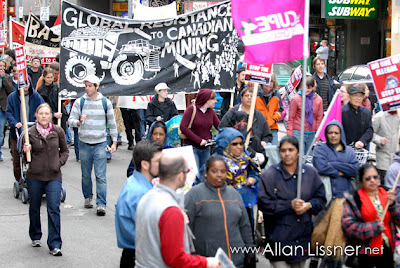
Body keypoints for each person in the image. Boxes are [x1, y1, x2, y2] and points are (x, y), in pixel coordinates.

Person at [135, 155, 220, 268]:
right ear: (180, 176)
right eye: (187, 171)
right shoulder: (170, 210)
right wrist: (206, 262)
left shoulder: (147, 197)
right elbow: (175, 258)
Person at [258, 136, 326, 267]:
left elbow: (321, 198)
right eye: (283, 150)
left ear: (298, 152)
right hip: (278, 238)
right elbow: (264, 203)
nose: (287, 154)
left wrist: (309, 205)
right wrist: (289, 205)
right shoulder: (270, 175)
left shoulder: (310, 173)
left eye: (291, 150)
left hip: (301, 237)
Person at [185, 155, 255, 267]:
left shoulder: (234, 194)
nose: (219, 175)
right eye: (214, 171)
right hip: (208, 262)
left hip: (237, 261)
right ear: (206, 173)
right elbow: (186, 229)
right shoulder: (194, 195)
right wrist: (191, 256)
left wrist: (249, 250)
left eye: (223, 171)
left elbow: (244, 225)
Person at [22, 103, 69, 256]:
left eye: (47, 113)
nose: (44, 116)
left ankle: (55, 244)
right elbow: (24, 160)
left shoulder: (58, 131)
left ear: (51, 116)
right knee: (34, 207)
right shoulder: (30, 133)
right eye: (41, 113)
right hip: (35, 176)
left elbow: (65, 151)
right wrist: (25, 151)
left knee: (54, 209)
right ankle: (35, 235)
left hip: (54, 176)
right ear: (36, 115)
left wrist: (58, 163)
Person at [68, 75, 118, 216]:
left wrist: (114, 142)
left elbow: (112, 123)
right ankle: (88, 196)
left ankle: (101, 204)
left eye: (90, 85)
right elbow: (70, 120)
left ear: (97, 86)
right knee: (85, 174)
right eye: (86, 85)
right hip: (84, 142)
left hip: (100, 142)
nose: (87, 88)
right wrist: (78, 122)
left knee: (100, 175)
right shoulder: (80, 102)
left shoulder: (105, 103)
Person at [342, 163, 400, 267]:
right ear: (361, 181)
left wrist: (393, 206)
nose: (372, 180)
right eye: (368, 178)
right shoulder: (354, 199)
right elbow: (348, 227)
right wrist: (373, 228)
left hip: (387, 248)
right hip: (365, 252)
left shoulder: (387, 193)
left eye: (375, 177)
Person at [115, 140, 162, 267]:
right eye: (158, 161)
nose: (162, 165)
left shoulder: (135, 183)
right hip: (139, 256)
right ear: (145, 165)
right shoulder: (140, 193)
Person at [6, 79, 44, 184]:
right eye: (22, 85)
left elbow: (43, 108)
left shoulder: (35, 96)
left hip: (32, 132)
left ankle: (33, 179)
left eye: (27, 84)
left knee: (33, 157)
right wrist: (14, 123)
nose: (25, 87)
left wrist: (40, 120)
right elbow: (9, 113)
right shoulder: (12, 97)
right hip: (17, 133)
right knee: (17, 159)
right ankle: (19, 180)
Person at [313, 120, 359, 199]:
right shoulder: (320, 148)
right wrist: (343, 172)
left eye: (336, 133)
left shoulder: (349, 151)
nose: (333, 135)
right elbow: (321, 167)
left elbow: (355, 170)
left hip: (345, 196)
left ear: (341, 134)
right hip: (324, 195)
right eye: (330, 133)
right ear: (326, 134)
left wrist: (332, 164)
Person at [180, 88, 220, 170]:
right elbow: (183, 127)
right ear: (206, 100)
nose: (216, 101)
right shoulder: (191, 110)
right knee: (194, 173)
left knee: (204, 174)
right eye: (213, 99)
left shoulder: (211, 112)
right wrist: (199, 140)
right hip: (191, 148)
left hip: (205, 149)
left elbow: (219, 126)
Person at [287, 76, 323, 154]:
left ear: (313, 87)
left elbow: (319, 118)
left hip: (312, 133)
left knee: (310, 157)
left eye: (309, 88)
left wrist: (318, 135)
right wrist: (290, 134)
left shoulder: (318, 100)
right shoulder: (295, 99)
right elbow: (291, 118)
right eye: (305, 87)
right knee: (300, 156)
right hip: (298, 132)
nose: (306, 90)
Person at [37, 68, 68, 132]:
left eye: (51, 77)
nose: (50, 79)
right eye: (48, 77)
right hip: (48, 116)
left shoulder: (56, 86)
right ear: (44, 77)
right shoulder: (41, 90)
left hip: (60, 113)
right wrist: (53, 113)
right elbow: (42, 105)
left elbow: (61, 100)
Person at [255, 73, 283, 145]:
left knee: (274, 149)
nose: (268, 89)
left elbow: (280, 110)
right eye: (266, 86)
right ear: (262, 84)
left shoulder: (276, 94)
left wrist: (274, 119)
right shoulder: (256, 93)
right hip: (259, 127)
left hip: (272, 127)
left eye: (270, 87)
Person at [372, 111, 400, 181]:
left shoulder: (397, 116)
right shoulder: (379, 117)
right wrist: (379, 140)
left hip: (396, 159)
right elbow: (370, 133)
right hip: (383, 159)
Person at [0, 59, 14, 161]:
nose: (1, 68)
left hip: (3, 108)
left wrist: (3, 78)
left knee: (1, 131)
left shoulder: (8, 78)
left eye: (2, 66)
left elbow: (10, 90)